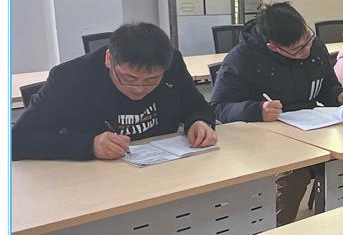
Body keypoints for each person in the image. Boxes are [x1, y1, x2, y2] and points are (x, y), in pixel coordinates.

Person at [211, 2, 343, 226]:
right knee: (294, 173)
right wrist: (257, 110)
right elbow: (219, 106)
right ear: (273, 47)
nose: (306, 51)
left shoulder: (314, 47)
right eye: (297, 49)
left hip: (310, 130)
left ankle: (341, 223)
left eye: (307, 40)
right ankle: (278, 231)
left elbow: (326, 86)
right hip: (266, 139)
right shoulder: (243, 58)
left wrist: (338, 95)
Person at [12, 23, 217, 161]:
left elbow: (197, 105)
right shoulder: (70, 78)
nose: (139, 89)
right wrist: (89, 145)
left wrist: (199, 122)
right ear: (109, 59)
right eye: (129, 79)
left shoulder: (172, 64)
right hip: (94, 181)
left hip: (162, 169)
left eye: (151, 80)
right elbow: (17, 141)